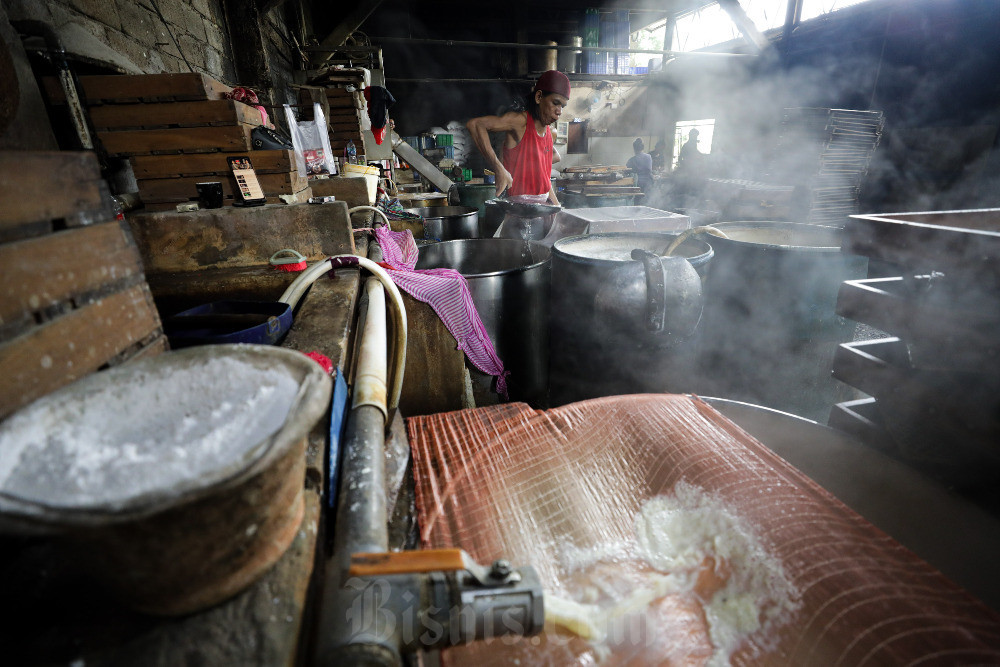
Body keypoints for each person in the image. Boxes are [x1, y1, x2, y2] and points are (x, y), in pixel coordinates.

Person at [467, 70, 569, 205]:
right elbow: (475, 125)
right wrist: (499, 168)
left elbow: (545, 179)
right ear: (539, 97)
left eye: (562, 106)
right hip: (517, 210)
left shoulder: (550, 132)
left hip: (542, 208)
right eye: (555, 103)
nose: (559, 111)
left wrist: (557, 207)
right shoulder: (520, 122)